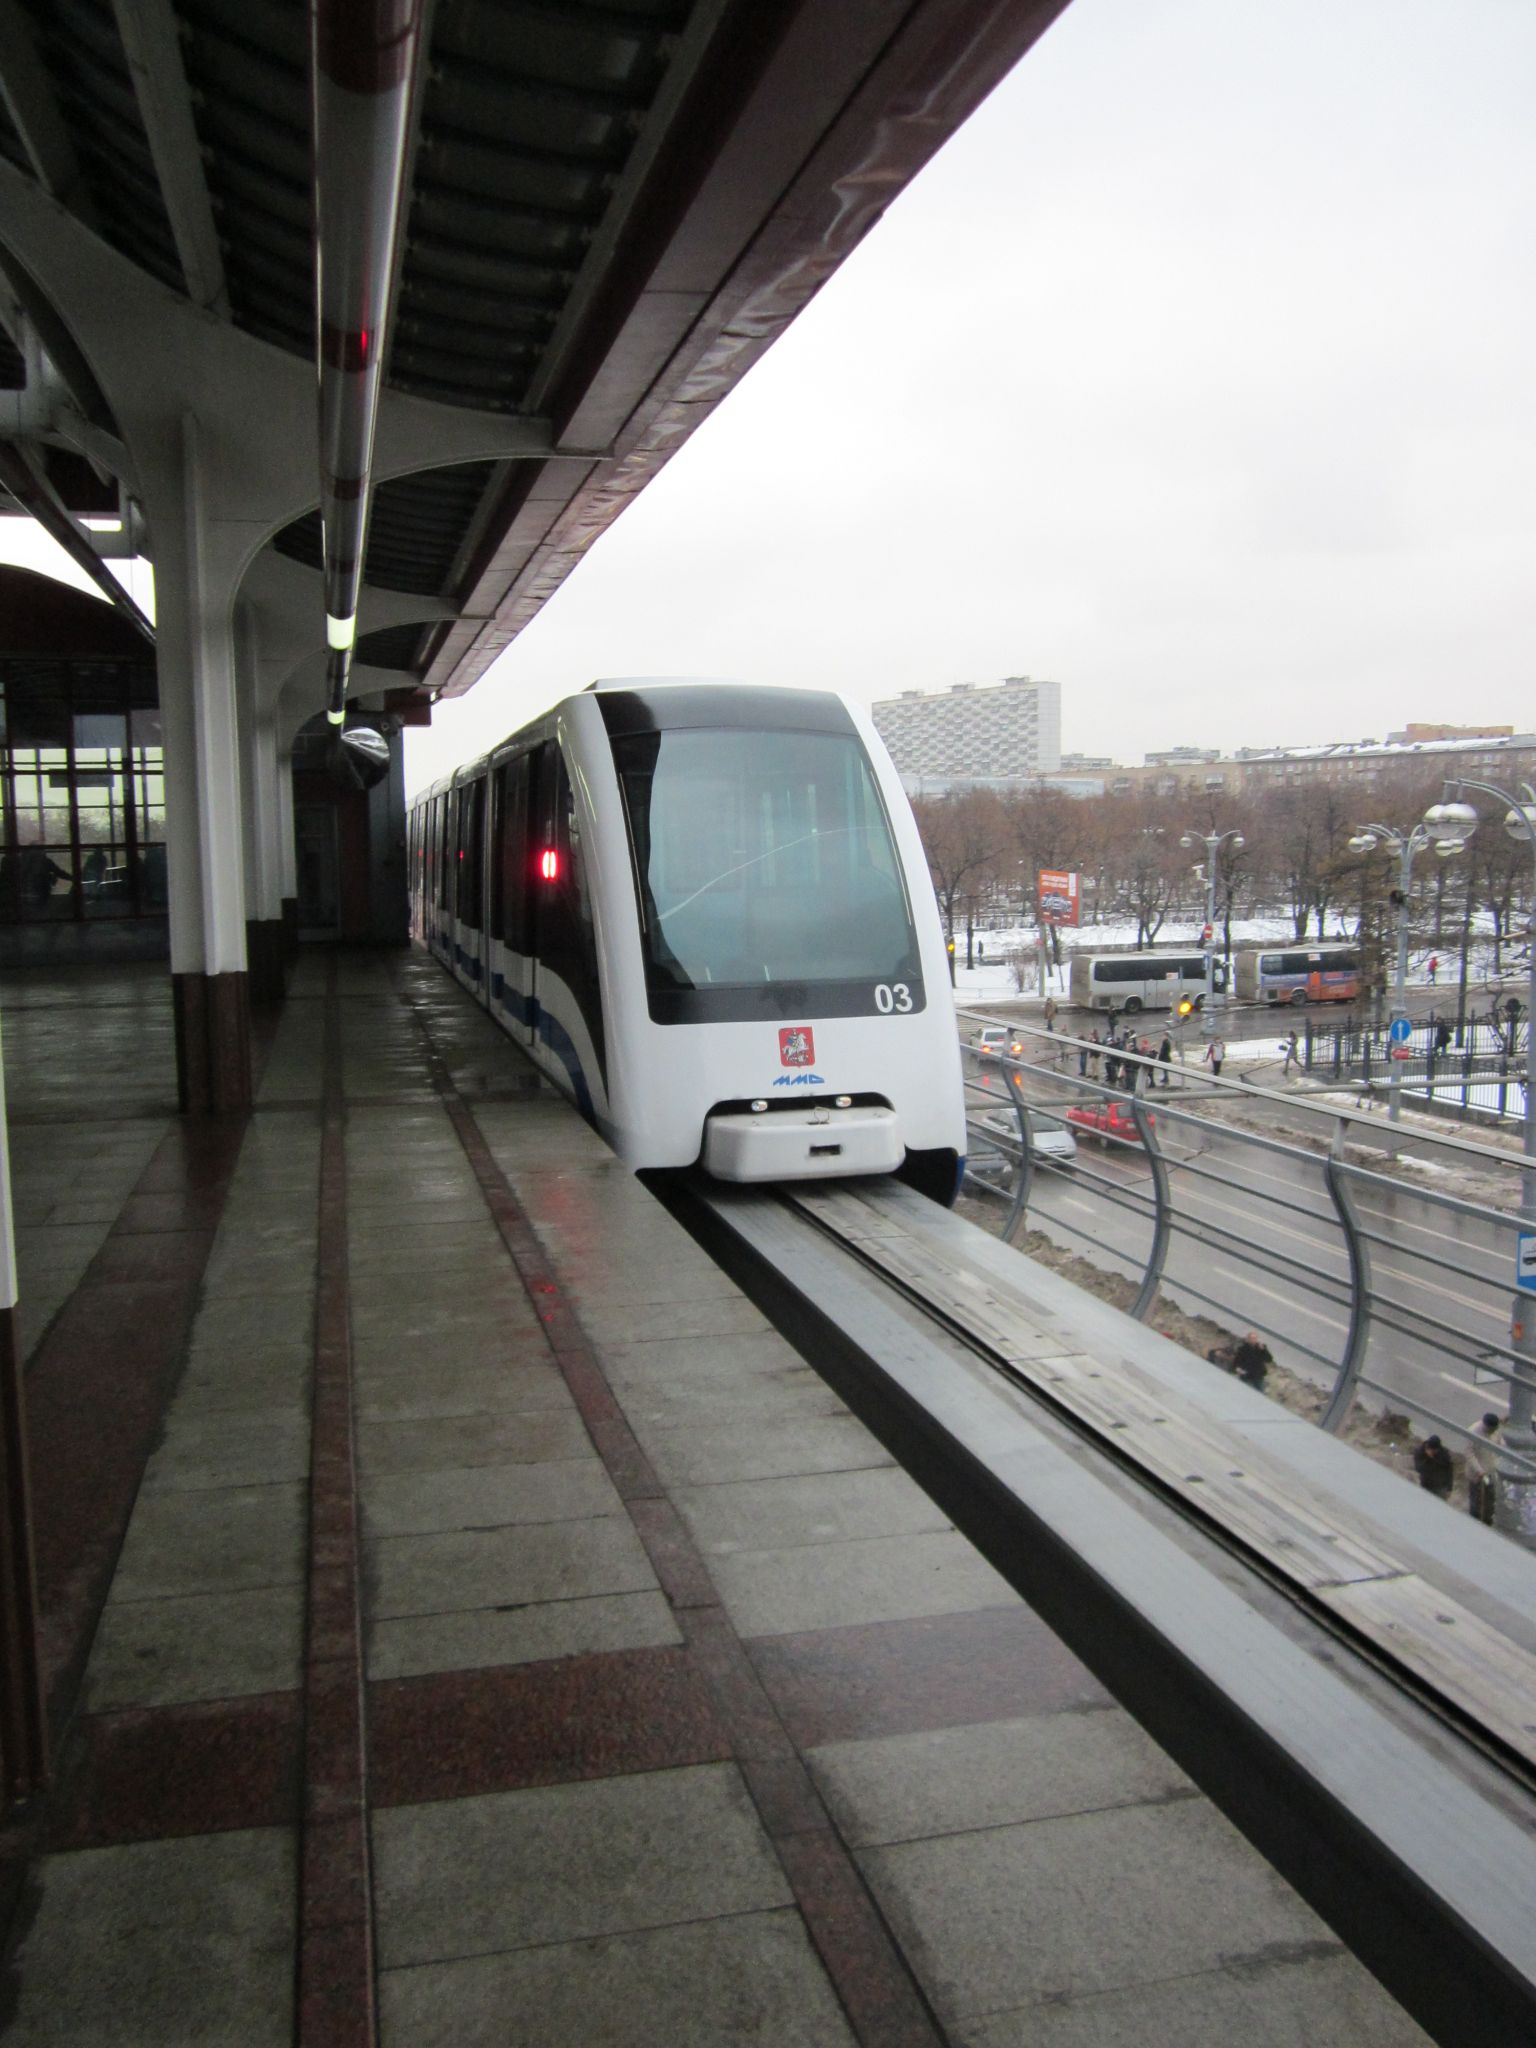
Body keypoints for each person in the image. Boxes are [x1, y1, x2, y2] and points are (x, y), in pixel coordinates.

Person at [1465, 1412, 1501, 1524]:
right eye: (1492, 1430)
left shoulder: (1495, 1430)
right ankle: (1475, 1521)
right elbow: (1469, 1453)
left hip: (1491, 1470)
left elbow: (1500, 1444)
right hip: (1478, 1474)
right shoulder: (1473, 1432)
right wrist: (1479, 1470)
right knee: (1476, 1499)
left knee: (1490, 1497)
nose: (1493, 1432)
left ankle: (1488, 1520)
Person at [1412, 1435, 1453, 1501]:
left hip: (1441, 1486)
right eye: (1433, 1450)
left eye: (1436, 1450)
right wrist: (1428, 1458)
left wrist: (1449, 1488)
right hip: (1426, 1483)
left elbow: (1449, 1471)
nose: (1435, 1452)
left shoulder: (1444, 1454)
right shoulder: (1420, 1451)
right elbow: (1418, 1468)